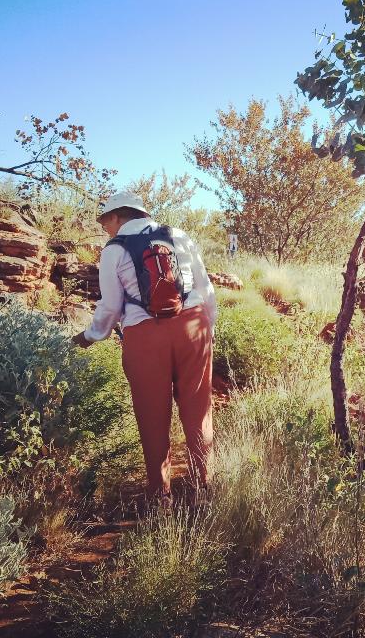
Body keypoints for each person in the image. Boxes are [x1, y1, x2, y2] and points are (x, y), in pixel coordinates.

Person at [72, 191, 217, 507]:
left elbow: (111, 307)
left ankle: (160, 496)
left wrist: (89, 336)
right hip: (194, 327)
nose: (104, 229)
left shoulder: (113, 250)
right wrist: (209, 330)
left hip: (144, 335)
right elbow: (206, 290)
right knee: (197, 407)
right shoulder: (179, 235)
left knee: (152, 416)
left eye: (104, 221)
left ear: (117, 216)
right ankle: (201, 487)